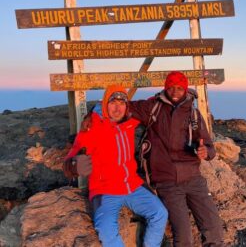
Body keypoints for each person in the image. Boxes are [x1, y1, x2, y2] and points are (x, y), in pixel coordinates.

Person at [63, 85, 168, 247]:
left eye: (122, 103)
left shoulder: (131, 121)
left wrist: (169, 94)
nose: (117, 108)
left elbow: (151, 104)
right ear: (106, 103)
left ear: (127, 105)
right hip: (105, 190)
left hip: (132, 185)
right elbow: (72, 156)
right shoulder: (92, 127)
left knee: (160, 213)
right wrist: (74, 165)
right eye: (113, 103)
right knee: (106, 229)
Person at [128, 71, 224, 247]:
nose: (175, 91)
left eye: (179, 88)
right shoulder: (153, 107)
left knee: (214, 229)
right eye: (171, 87)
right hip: (167, 181)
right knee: (183, 236)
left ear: (185, 89)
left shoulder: (193, 114)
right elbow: (122, 106)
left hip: (194, 178)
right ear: (166, 88)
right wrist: (94, 113)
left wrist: (206, 151)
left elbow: (209, 147)